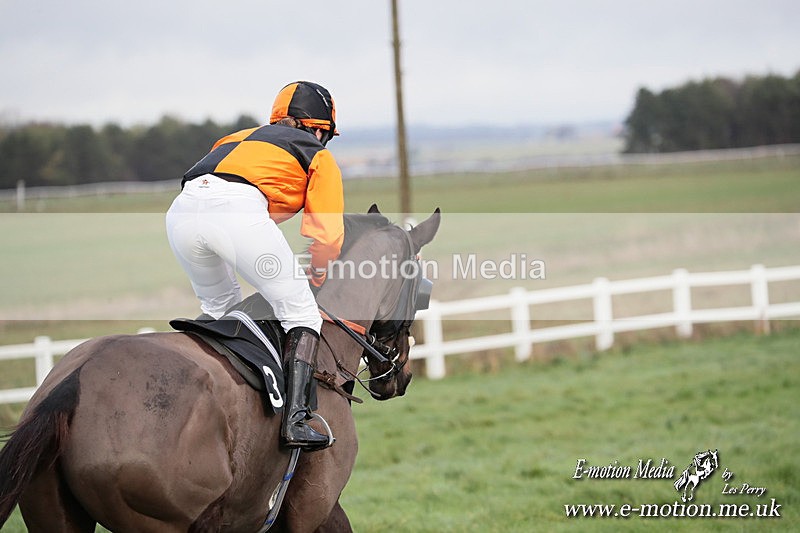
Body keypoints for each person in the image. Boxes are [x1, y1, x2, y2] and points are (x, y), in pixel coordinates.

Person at [165, 81, 344, 451]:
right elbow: (326, 232)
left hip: (180, 212)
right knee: (303, 314)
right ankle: (295, 420)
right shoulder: (318, 154)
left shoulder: (233, 138)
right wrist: (319, 274)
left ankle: (223, 400)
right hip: (236, 210)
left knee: (221, 309)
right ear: (316, 128)